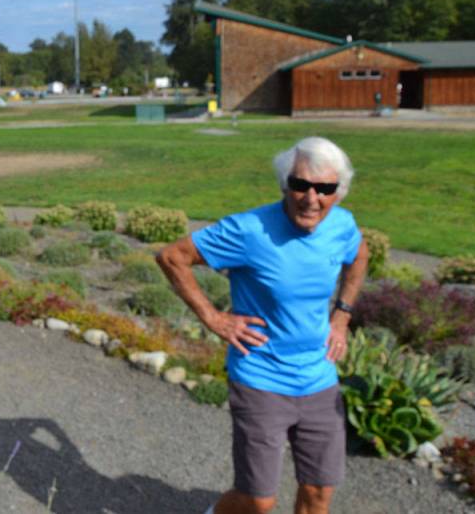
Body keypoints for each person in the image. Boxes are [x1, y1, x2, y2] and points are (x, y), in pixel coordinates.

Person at [156, 136, 369, 514]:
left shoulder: (342, 225)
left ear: (339, 192)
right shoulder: (249, 230)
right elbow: (173, 257)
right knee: (257, 500)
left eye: (325, 189)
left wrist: (342, 315)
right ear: (285, 183)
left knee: (319, 493)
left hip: (319, 378)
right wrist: (214, 318)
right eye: (300, 184)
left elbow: (359, 254)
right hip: (260, 378)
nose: (311, 198)